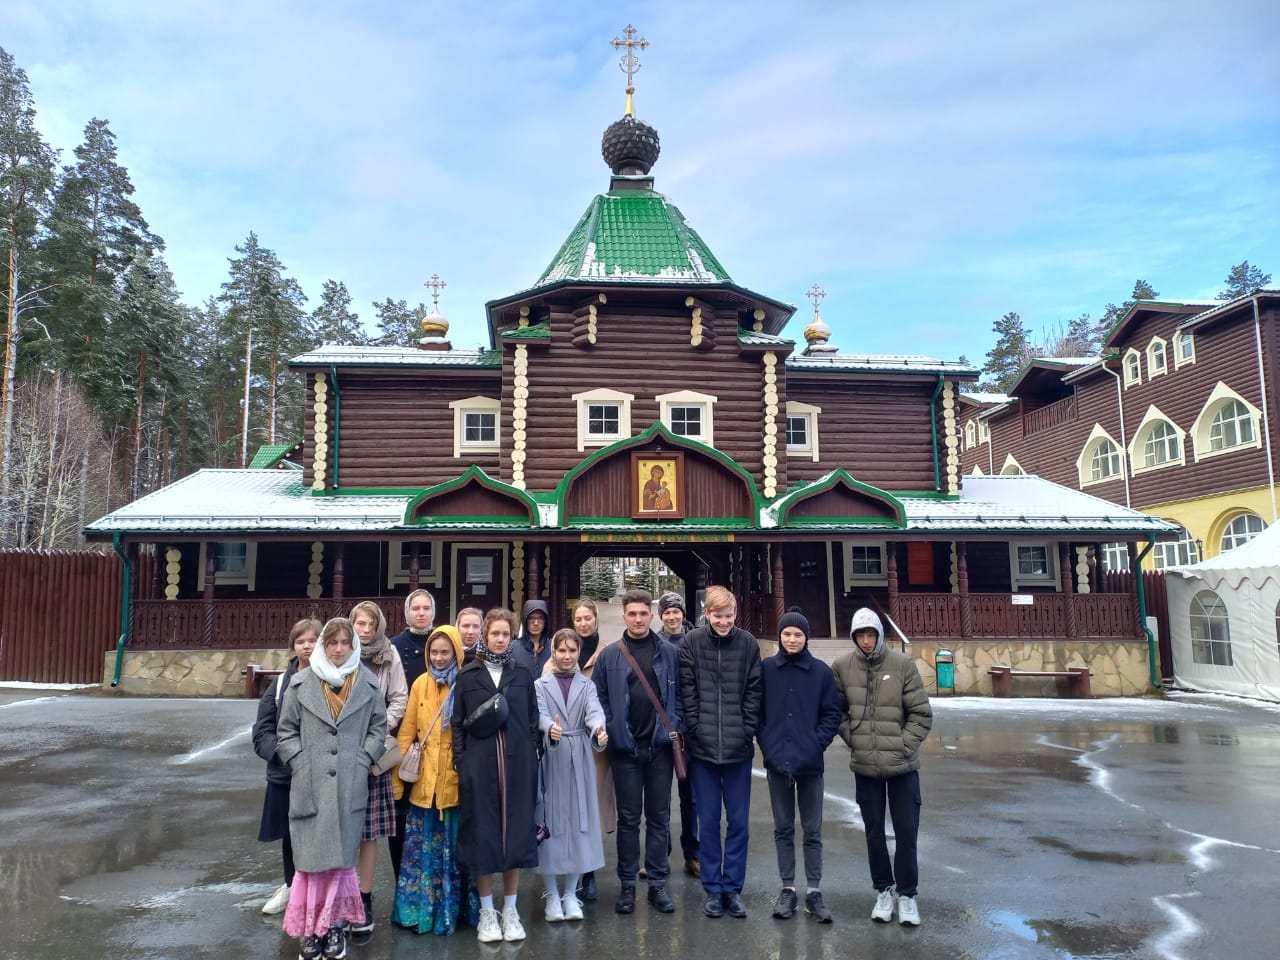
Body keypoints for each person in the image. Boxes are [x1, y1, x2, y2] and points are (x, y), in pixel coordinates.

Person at [277, 618, 387, 960]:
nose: (339, 650)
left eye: (345, 643)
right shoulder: (299, 685)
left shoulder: (368, 685)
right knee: (309, 863)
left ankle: (337, 924)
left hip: (349, 785)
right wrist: (300, 761)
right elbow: (285, 732)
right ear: (324, 646)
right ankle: (311, 930)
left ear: (354, 647)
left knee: (342, 862)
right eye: (332, 643)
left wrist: (363, 758)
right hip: (309, 784)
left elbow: (378, 728)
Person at [833, 607, 933, 927]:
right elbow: (837, 712)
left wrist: (903, 746)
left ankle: (907, 894)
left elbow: (921, 714)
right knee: (874, 832)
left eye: (870, 634)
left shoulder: (902, 665)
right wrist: (855, 739)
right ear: (853, 636)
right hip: (865, 767)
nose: (865, 640)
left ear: (879, 634)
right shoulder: (842, 667)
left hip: (902, 767)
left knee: (906, 832)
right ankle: (884, 890)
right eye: (860, 634)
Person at [452, 608, 540, 943]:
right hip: (480, 766)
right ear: (485, 636)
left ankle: (511, 909)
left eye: (506, 634)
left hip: (518, 765)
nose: (500, 639)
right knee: (484, 835)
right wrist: (463, 761)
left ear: (511, 637)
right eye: (495, 634)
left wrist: (533, 754)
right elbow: (457, 724)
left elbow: (532, 718)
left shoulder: (522, 673)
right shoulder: (468, 675)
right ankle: (487, 912)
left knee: (515, 834)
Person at [593, 588, 682, 916]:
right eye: (632, 614)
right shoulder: (611, 655)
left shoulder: (669, 652)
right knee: (629, 820)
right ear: (625, 616)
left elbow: (681, 695)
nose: (638, 619)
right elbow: (599, 696)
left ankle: (658, 883)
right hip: (625, 749)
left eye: (644, 613)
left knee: (659, 818)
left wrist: (674, 724)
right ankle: (627, 885)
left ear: (652, 615)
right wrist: (614, 727)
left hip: (659, 747)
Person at [679, 584, 761, 919]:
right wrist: (696, 729)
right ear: (707, 614)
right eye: (718, 616)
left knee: (739, 822)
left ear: (735, 614)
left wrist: (746, 728)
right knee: (709, 821)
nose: (724, 622)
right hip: (703, 751)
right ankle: (713, 887)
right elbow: (688, 690)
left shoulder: (748, 644)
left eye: (729, 616)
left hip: (738, 750)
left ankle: (733, 887)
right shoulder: (692, 643)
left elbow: (754, 689)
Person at [391, 625, 479, 935]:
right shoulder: (420, 684)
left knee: (454, 853)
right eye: (434, 652)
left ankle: (454, 913)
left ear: (456, 652)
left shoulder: (467, 683)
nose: (439, 658)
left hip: (454, 783)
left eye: (445, 652)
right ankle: (419, 912)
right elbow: (407, 732)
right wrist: (399, 781)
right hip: (425, 786)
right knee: (421, 853)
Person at [758, 607, 842, 923]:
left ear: (806, 637)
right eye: (787, 634)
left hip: (809, 765)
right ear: (779, 636)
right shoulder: (767, 669)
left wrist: (815, 744)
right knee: (782, 828)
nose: (792, 639)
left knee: (812, 829)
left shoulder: (820, 672)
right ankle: (788, 888)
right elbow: (759, 714)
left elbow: (832, 713)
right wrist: (768, 743)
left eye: (798, 634)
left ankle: (815, 891)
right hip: (777, 763)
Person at [534, 629, 609, 922]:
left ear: (578, 653)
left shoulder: (586, 685)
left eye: (572, 651)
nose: (567, 656)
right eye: (561, 650)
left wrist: (598, 730)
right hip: (551, 758)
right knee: (550, 822)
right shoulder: (540, 684)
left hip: (579, 755)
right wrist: (547, 728)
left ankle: (570, 893)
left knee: (580, 822)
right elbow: (538, 713)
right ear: (554, 652)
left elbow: (594, 713)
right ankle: (551, 894)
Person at [253, 618, 321, 917]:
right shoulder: (281, 684)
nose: (307, 646)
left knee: (320, 833)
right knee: (291, 835)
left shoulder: (332, 679)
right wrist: (285, 755)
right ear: (293, 645)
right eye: (301, 641)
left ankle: (319, 892)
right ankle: (291, 886)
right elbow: (263, 730)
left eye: (313, 640)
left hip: (321, 773)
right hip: (287, 773)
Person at [348, 601, 408, 936]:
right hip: (341, 751)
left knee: (369, 831)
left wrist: (382, 727)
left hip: (374, 751)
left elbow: (400, 696)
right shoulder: (339, 652)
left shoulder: (389, 655)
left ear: (379, 625)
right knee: (343, 828)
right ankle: (342, 896)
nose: (365, 629)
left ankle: (364, 896)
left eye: (371, 624)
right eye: (360, 623)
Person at [567, 598, 613, 902]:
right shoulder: (564, 649)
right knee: (570, 810)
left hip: (595, 744)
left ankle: (590, 873)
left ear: (595, 619)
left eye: (588, 618)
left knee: (592, 810)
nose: (584, 623)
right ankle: (573, 870)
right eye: (578, 619)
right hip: (568, 743)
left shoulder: (608, 653)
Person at [388, 590, 435, 881]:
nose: (421, 613)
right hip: (404, 743)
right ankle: (400, 882)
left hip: (434, 744)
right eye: (415, 608)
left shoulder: (442, 643)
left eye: (426, 607)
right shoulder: (394, 647)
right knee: (400, 815)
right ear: (407, 613)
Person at [656, 591, 699, 879]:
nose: (672, 616)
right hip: (662, 727)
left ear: (683, 613)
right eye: (667, 612)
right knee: (659, 798)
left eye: (676, 611)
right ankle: (660, 854)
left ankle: (692, 853)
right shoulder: (655, 643)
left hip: (690, 729)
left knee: (691, 797)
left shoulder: (697, 640)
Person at [512, 599, 551, 675]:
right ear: (525, 620)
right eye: (531, 618)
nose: (536, 623)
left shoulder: (553, 647)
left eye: (540, 618)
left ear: (546, 621)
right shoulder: (513, 648)